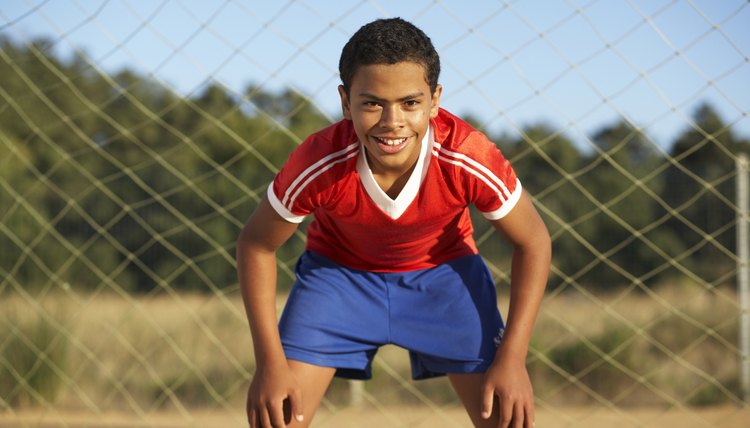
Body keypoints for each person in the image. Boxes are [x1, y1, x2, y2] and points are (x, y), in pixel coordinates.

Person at [236, 17, 550, 428]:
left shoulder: (467, 156)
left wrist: (513, 358)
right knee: (276, 417)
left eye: (409, 102)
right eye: (371, 103)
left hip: (444, 277)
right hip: (339, 280)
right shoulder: (319, 162)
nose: (392, 121)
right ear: (346, 102)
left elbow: (534, 242)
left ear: (435, 100)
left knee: (507, 416)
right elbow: (256, 244)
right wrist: (268, 363)